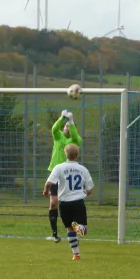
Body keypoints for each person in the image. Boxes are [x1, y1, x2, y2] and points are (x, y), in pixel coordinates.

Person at [44, 144, 93, 261]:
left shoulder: (59, 167)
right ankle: (79, 228)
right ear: (77, 155)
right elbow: (89, 189)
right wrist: (83, 194)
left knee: (69, 228)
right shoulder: (83, 169)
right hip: (78, 202)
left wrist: (46, 191)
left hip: (64, 203)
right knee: (83, 229)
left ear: (65, 154)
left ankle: (76, 254)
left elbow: (49, 183)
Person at [47, 109, 83, 243]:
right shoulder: (58, 136)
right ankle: (54, 234)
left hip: (68, 176)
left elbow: (75, 137)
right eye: (66, 126)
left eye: (70, 126)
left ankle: (74, 228)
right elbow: (54, 128)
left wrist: (71, 121)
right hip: (55, 173)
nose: (67, 128)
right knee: (53, 202)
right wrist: (62, 118)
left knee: (69, 204)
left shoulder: (76, 140)